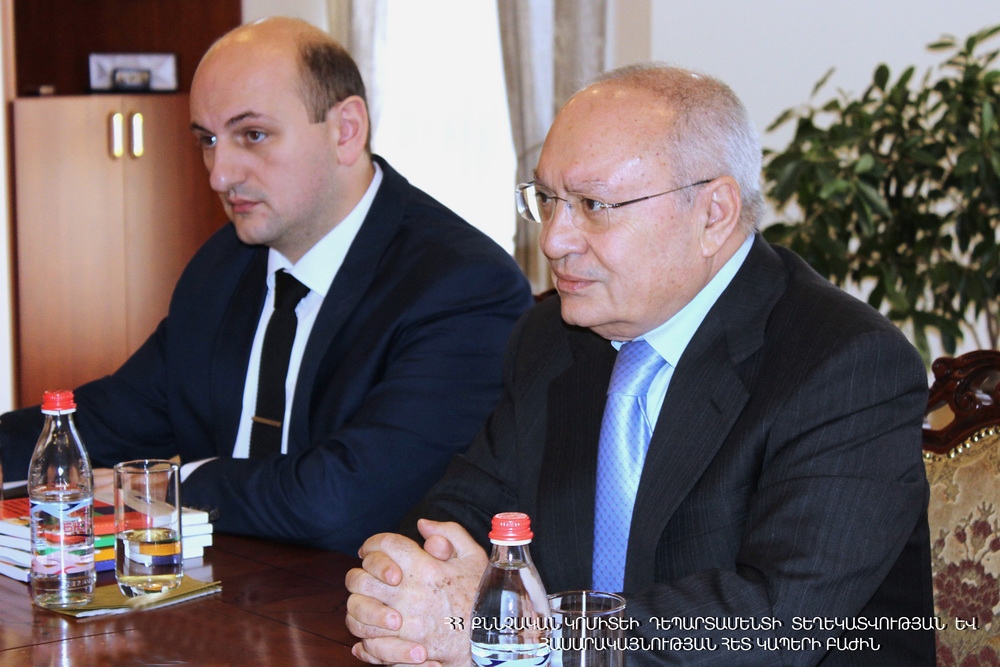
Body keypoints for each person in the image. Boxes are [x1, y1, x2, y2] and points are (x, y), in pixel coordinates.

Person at [344, 64, 936, 665]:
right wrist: (404, 593)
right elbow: (460, 517)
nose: (553, 240)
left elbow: (778, 620)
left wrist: (527, 637)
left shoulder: (847, 364)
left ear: (713, 213)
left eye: (593, 204)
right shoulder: (551, 338)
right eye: (547, 200)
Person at [0, 17, 532, 553]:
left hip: (353, 595)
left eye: (252, 135)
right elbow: (115, 418)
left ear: (346, 130)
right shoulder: (225, 263)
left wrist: (170, 488)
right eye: (208, 140)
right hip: (227, 583)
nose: (219, 174)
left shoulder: (461, 286)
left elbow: (342, 501)